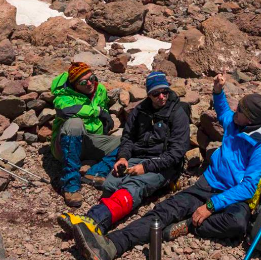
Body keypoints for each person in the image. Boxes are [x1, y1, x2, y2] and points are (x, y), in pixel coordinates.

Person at [73, 72, 261, 260]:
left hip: (234, 196)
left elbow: (247, 187)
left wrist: (211, 206)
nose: (235, 111)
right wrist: (218, 91)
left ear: (250, 119)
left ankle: (190, 224)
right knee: (163, 212)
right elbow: (224, 112)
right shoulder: (235, 123)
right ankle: (113, 244)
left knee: (237, 224)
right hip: (207, 184)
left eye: (240, 111)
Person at [58, 70, 190, 236]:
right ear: (149, 94)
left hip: (162, 163)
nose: (162, 97)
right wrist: (123, 158)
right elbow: (127, 138)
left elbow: (176, 154)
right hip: (137, 158)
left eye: (165, 92)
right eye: (156, 94)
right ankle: (111, 208)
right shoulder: (140, 111)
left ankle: (95, 221)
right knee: (110, 185)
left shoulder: (178, 114)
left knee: (133, 187)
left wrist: (145, 167)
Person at [50, 62, 120, 208]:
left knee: (125, 141)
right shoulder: (63, 96)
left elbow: (102, 107)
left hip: (90, 141)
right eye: (84, 82)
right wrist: (99, 112)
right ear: (75, 85)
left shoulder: (99, 89)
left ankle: (95, 172)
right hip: (66, 145)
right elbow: (66, 111)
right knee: (74, 123)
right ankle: (70, 185)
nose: (90, 83)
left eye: (92, 78)